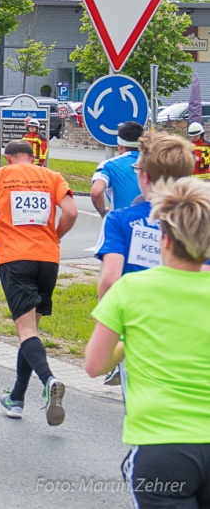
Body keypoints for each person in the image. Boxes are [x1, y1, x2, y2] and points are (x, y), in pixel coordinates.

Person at [85, 177, 210, 507]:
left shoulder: (132, 289)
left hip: (162, 446)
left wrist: (129, 342)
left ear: (164, 239)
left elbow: (95, 365)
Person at [0, 140, 79, 425]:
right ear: (33, 157)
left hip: (15, 257)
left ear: (8, 157)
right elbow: (71, 212)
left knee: (24, 329)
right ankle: (17, 397)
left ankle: (49, 381)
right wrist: (55, 236)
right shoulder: (52, 177)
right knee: (31, 329)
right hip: (48, 258)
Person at [96, 131, 196, 299]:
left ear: (146, 176)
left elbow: (110, 279)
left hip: (135, 313)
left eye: (137, 169)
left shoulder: (119, 220)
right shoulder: (199, 220)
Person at [89, 121, 143, 217]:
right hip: (153, 226)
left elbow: (96, 192)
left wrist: (104, 214)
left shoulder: (108, 165)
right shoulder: (157, 163)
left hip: (121, 224)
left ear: (121, 146)